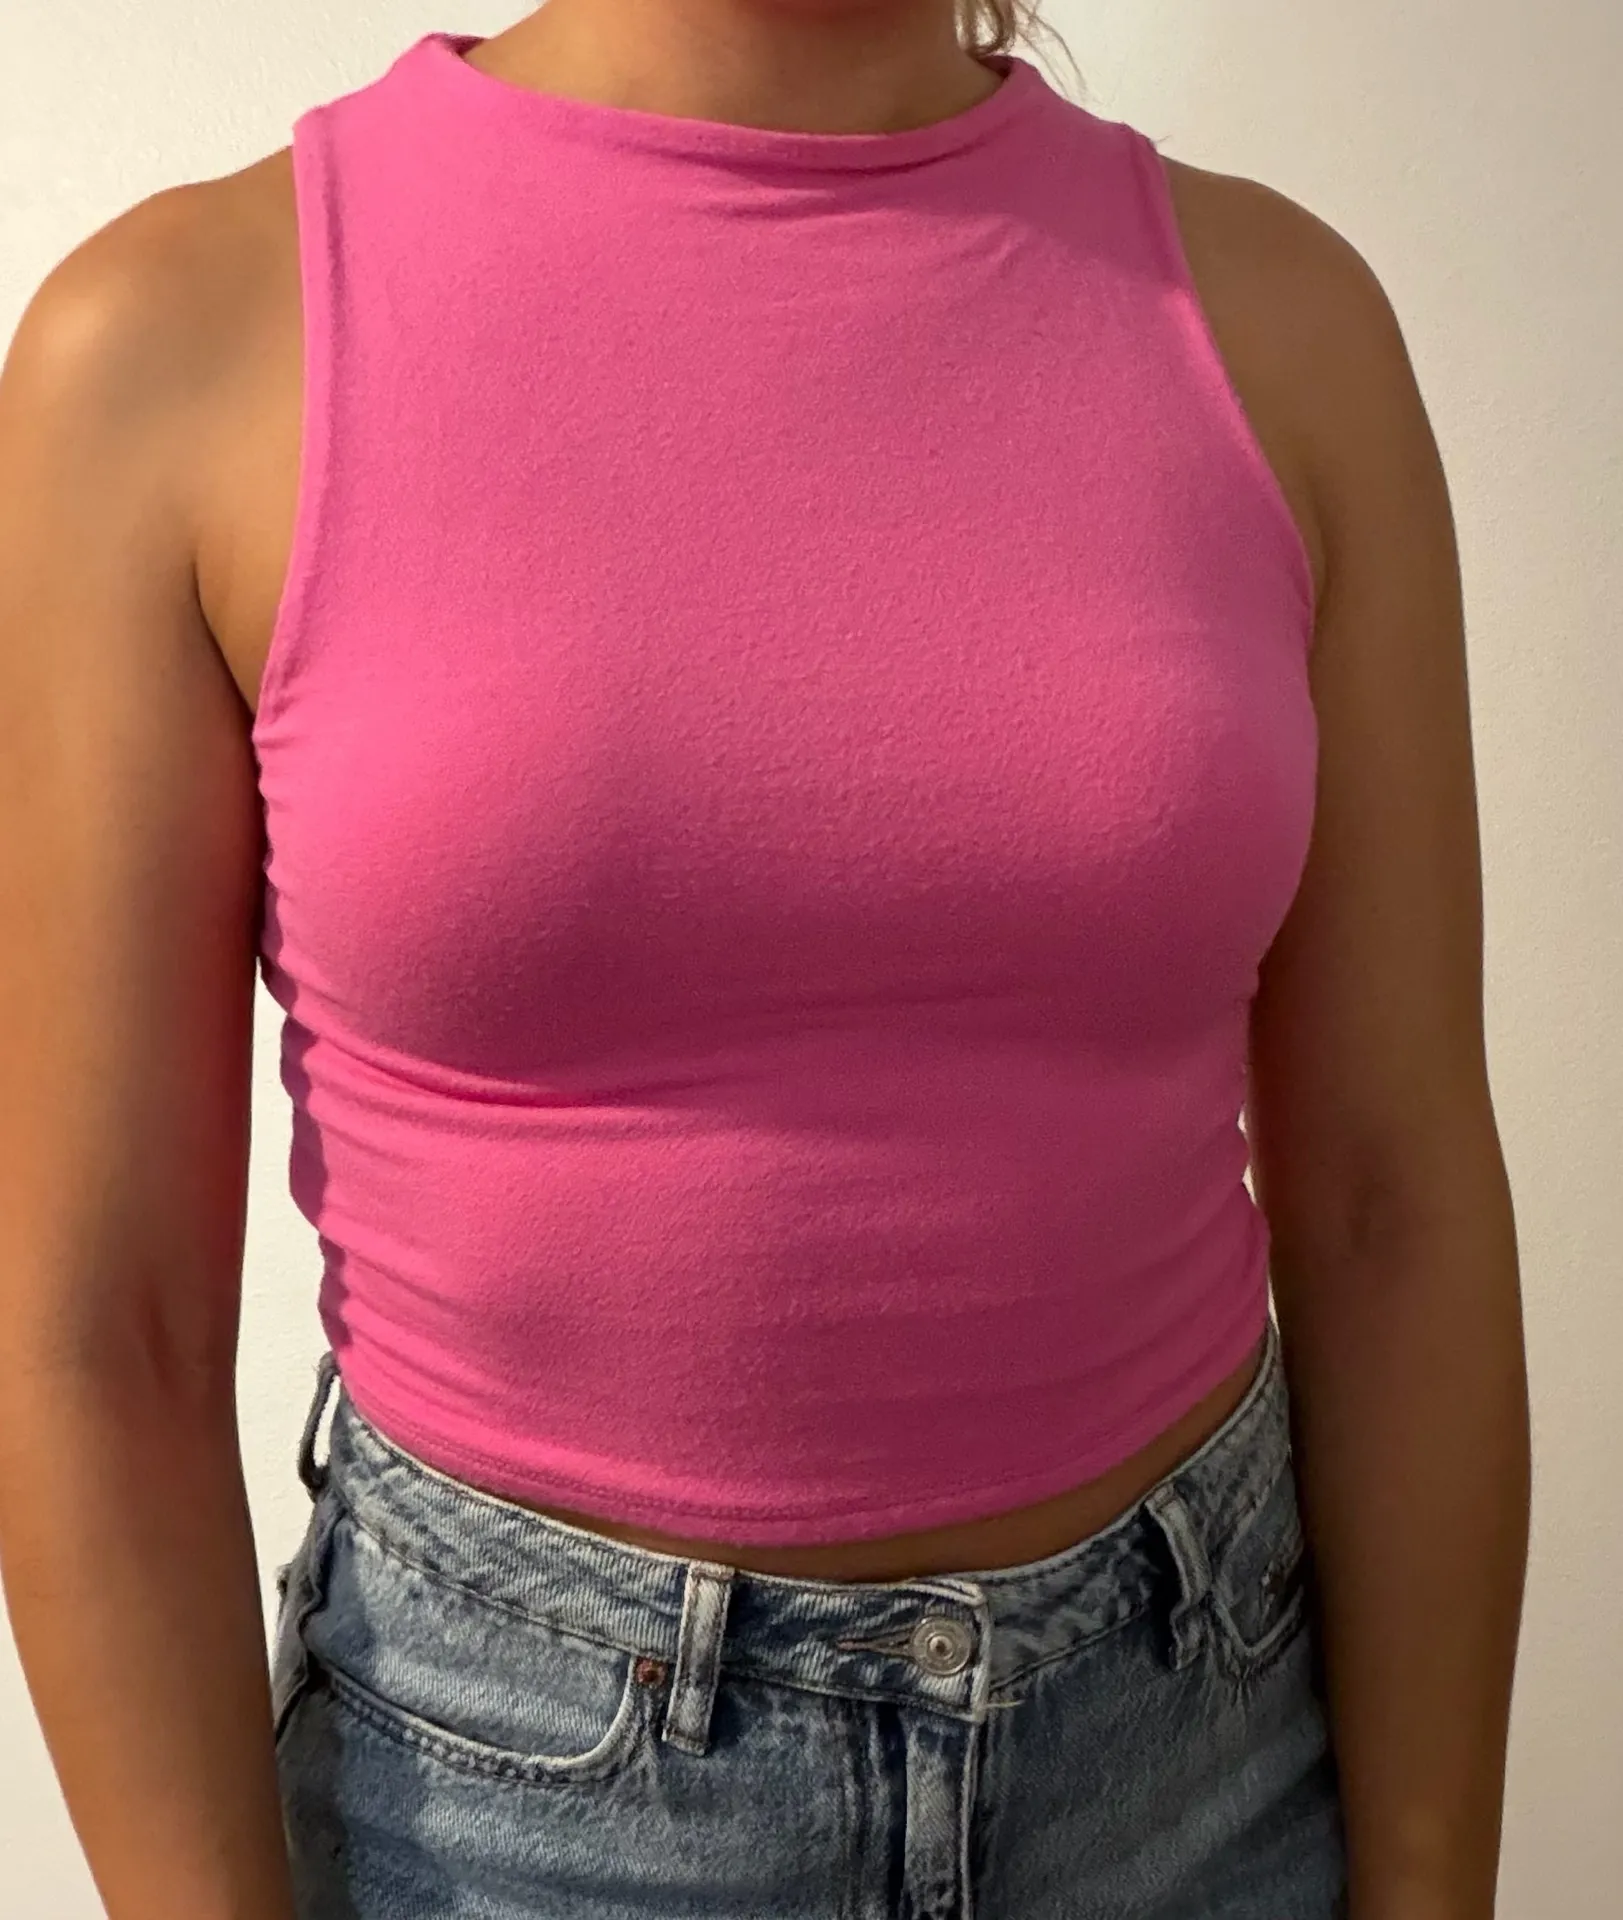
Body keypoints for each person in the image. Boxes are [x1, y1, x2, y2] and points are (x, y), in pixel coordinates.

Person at [0, 1, 1531, 1915]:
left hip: (1193, 1767)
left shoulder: (1281, 326)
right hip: (500, 1812)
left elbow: (1392, 1206)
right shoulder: (174, 343)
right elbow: (93, 1326)